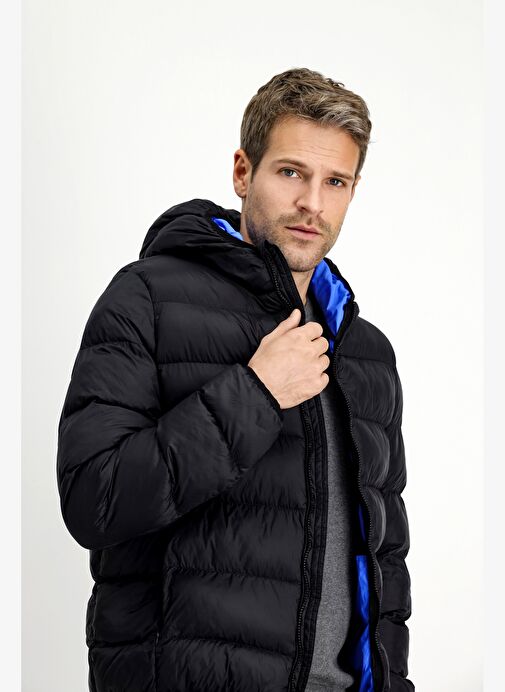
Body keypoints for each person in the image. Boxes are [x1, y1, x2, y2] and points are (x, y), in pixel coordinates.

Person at [56, 67, 414, 692]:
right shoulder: (147, 299)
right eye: (291, 172)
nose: (313, 203)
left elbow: (386, 563)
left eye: (335, 181)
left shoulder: (366, 353)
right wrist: (255, 394)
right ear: (243, 172)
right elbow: (94, 500)